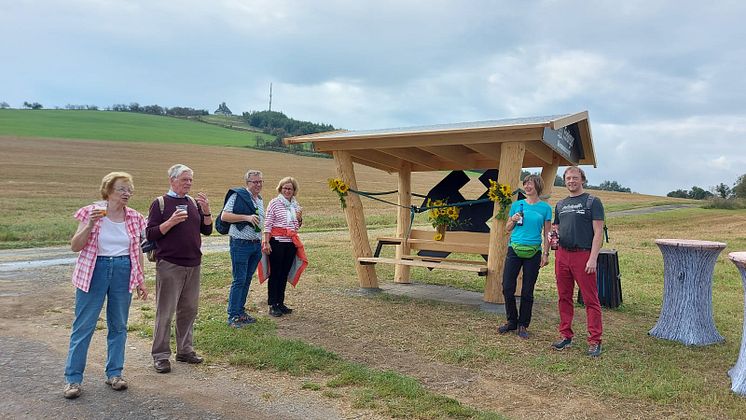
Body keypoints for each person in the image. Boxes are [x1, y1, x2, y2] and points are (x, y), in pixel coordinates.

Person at [63, 172, 148, 399]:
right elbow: (75, 246)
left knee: (119, 325)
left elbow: (137, 250)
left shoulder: (135, 217)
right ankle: (73, 380)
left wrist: (140, 279)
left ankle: (115, 374)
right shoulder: (91, 212)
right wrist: (90, 223)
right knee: (84, 326)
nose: (127, 193)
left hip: (123, 270)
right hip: (95, 270)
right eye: (122, 189)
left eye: (129, 189)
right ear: (108, 190)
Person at [146, 164, 213, 373]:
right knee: (165, 312)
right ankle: (161, 355)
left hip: (193, 263)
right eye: (185, 179)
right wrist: (171, 222)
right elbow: (150, 234)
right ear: (172, 180)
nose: (189, 183)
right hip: (170, 265)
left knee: (189, 310)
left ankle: (185, 350)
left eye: (191, 180)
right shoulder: (160, 204)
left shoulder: (192, 203)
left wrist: (207, 211)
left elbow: (207, 230)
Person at [551, 166, 605, 357]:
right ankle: (566, 335)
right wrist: (553, 237)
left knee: (591, 299)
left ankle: (594, 340)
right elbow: (555, 227)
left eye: (575, 178)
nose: (571, 181)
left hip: (583, 255)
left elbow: (598, 231)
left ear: (582, 179)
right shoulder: (560, 204)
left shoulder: (592, 202)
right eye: (568, 178)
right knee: (564, 297)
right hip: (563, 255)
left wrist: (593, 258)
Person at [497, 175, 552, 339]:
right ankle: (511, 321)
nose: (528, 186)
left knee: (527, 291)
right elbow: (507, 228)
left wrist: (546, 253)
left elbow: (547, 233)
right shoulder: (516, 205)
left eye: (531, 183)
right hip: (514, 249)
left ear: (538, 186)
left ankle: (523, 325)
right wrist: (512, 220)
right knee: (507, 286)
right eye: (526, 183)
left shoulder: (545, 208)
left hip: (533, 252)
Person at [221, 170, 264, 328]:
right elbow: (225, 216)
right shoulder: (237, 196)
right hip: (240, 243)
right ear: (247, 183)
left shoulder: (259, 199)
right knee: (239, 280)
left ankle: (240, 312)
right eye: (255, 182)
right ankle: (233, 316)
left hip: (255, 244)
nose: (258, 184)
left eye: (260, 182)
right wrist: (246, 218)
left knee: (246, 279)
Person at [261, 176, 308, 317]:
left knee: (284, 273)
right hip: (277, 242)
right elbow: (268, 223)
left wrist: (299, 218)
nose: (287, 191)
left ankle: (280, 303)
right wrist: (266, 241)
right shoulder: (274, 203)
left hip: (290, 243)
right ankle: (272, 304)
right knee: (275, 273)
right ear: (280, 189)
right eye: (285, 188)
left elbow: (296, 226)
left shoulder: (295, 205)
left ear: (294, 191)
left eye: (290, 189)